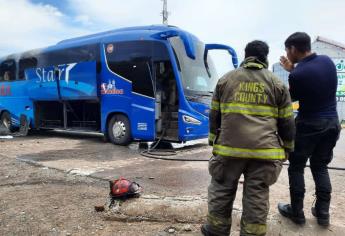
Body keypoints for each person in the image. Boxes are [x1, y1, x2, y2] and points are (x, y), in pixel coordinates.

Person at [202, 40, 295, 236]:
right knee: (257, 195)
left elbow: (214, 115)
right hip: (265, 153)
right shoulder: (277, 84)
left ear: (246, 56)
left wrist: (213, 140)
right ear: (266, 58)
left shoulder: (226, 80)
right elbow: (287, 121)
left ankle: (216, 230)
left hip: (228, 151)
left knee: (222, 189)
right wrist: (287, 147)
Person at [277, 32, 341, 226]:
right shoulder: (327, 62)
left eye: (287, 50)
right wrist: (294, 69)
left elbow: (291, 98)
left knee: (296, 168)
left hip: (310, 125)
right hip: (332, 123)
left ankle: (297, 213)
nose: (286, 54)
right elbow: (314, 76)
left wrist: (292, 72)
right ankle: (322, 213)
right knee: (320, 166)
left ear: (293, 49)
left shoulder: (297, 75)